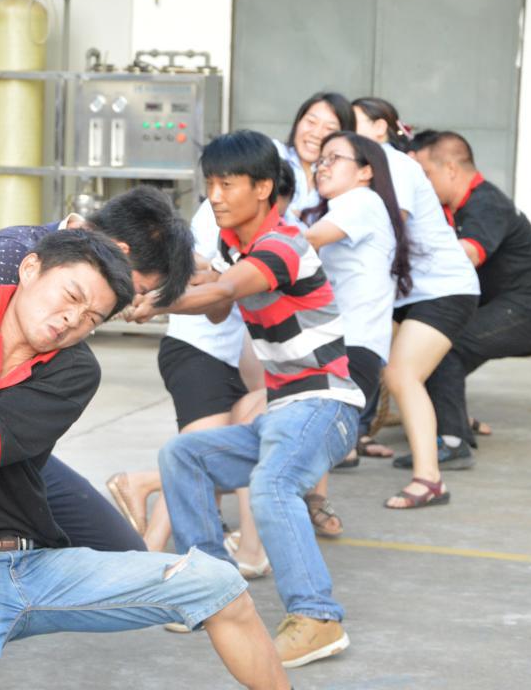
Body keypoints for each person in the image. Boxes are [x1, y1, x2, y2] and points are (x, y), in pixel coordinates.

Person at [0, 229, 291, 690]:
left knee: (219, 584)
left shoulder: (76, 368)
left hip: (43, 568)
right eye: (70, 296)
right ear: (30, 269)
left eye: (91, 317)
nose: (72, 320)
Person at [135, 130, 364, 669]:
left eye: (227, 184)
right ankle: (214, 593)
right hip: (281, 412)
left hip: (325, 404)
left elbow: (220, 293)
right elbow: (218, 303)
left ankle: (317, 617)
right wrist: (168, 278)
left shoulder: (286, 243)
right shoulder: (231, 245)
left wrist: (156, 303)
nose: (214, 196)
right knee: (183, 455)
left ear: (263, 188)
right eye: (209, 184)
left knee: (272, 485)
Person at [0, 184, 193, 555]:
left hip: (20, 450)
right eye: (138, 289)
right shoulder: (13, 254)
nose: (131, 302)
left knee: (124, 553)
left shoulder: (91, 297)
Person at [108, 162, 296, 570]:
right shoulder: (219, 218)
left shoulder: (264, 231)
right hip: (197, 352)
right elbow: (202, 276)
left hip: (220, 356)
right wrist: (160, 300)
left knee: (208, 456)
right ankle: (148, 536)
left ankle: (149, 527)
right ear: (263, 192)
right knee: (195, 459)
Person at [352, 98, 483, 508]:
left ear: (380, 128)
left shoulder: (395, 165)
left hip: (443, 288)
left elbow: (391, 230)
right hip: (411, 292)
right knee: (377, 365)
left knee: (402, 375)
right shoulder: (365, 169)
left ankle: (430, 480)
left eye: (352, 122)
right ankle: (354, 441)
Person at [413, 131, 531, 462]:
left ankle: (453, 442)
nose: (422, 184)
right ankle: (449, 423)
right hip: (512, 305)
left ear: (451, 169)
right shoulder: (454, 208)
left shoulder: (486, 203)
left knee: (447, 347)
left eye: (426, 173)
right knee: (433, 353)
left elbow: (468, 254)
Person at [302, 131, 412, 428]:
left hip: (350, 345)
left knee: (316, 437)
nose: (322, 167)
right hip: (351, 345)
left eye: (334, 158)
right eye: (321, 160)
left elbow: (307, 241)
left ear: (365, 171)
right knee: (325, 441)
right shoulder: (349, 208)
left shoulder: (361, 201)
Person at [274, 91, 356, 218]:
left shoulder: (343, 180)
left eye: (330, 129)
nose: (316, 134)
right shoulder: (274, 154)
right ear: (298, 121)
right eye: (311, 122)